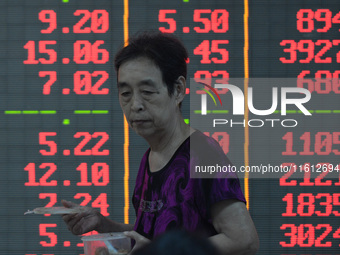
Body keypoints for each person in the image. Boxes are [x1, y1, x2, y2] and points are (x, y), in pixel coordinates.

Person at [62, 31, 259, 255]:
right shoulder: (152, 156)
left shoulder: (202, 154)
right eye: (125, 93)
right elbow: (151, 240)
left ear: (178, 90)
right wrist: (102, 224)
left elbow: (244, 241)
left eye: (147, 92)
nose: (135, 104)